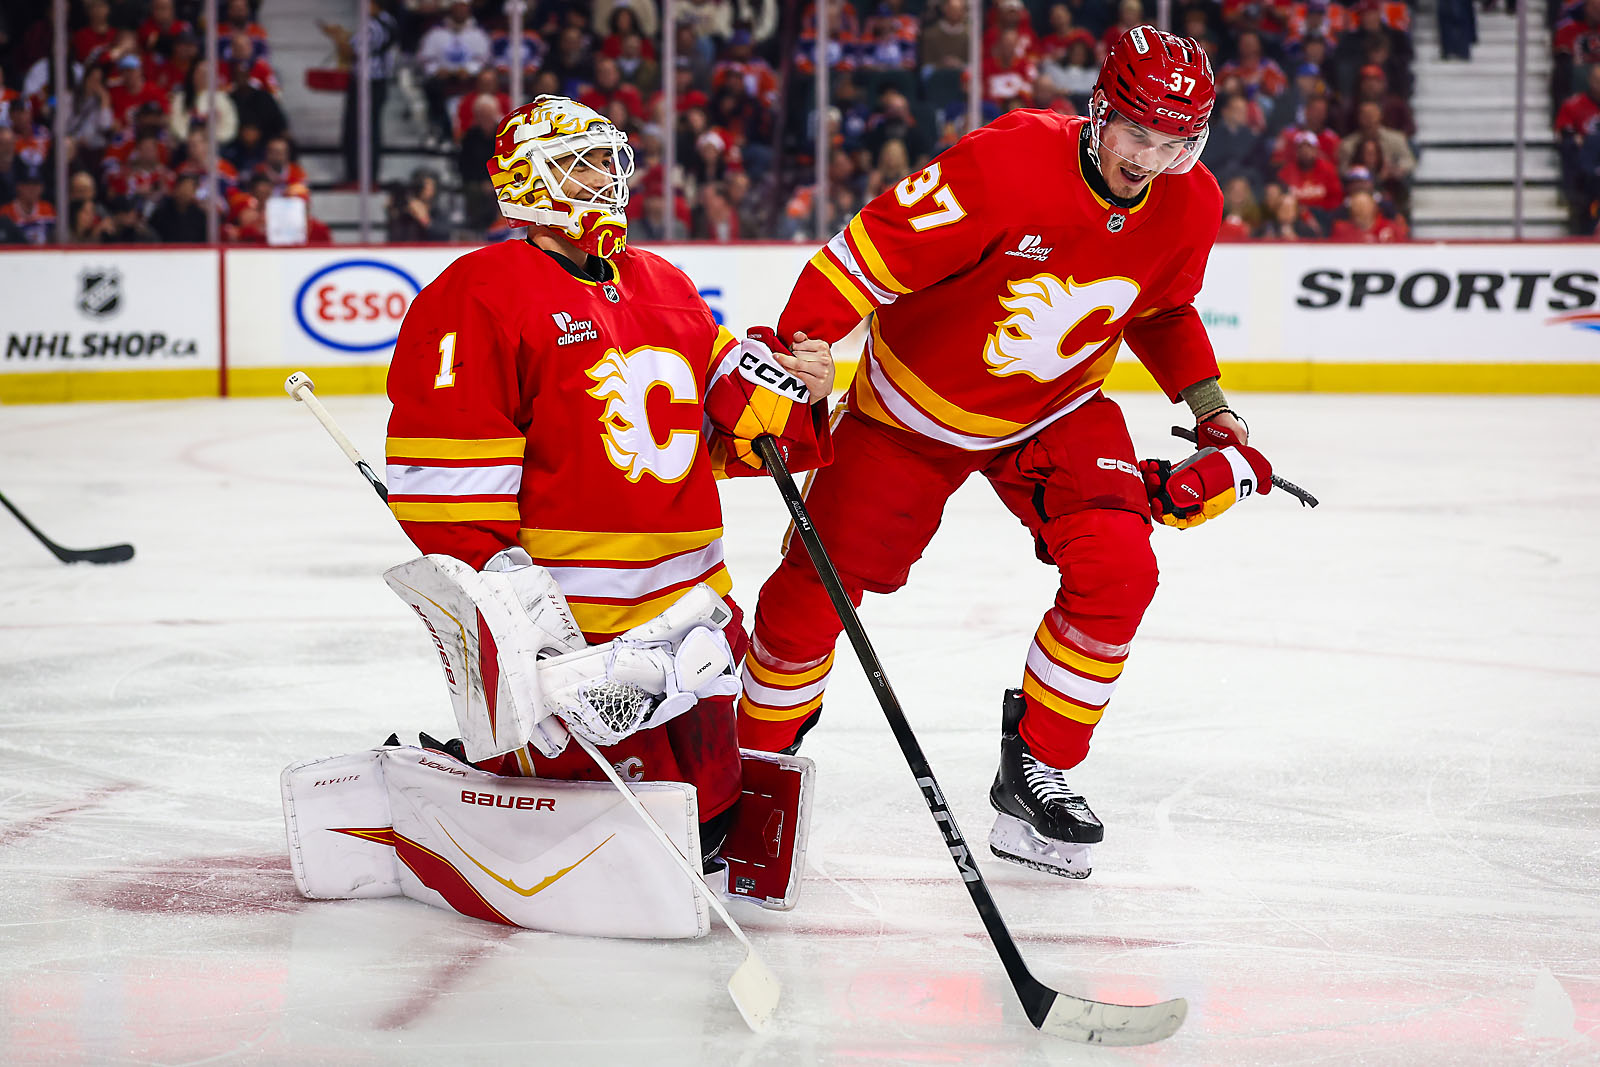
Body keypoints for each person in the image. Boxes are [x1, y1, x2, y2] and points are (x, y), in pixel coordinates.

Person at [734, 26, 1276, 881]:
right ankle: (745, 763)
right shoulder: (1005, 163)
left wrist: (1210, 410)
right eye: (1140, 134)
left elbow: (1162, 309)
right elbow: (864, 254)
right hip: (911, 413)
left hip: (1058, 410)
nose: (1154, 159)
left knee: (1119, 570)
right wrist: (802, 344)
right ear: (1100, 111)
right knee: (817, 589)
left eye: (1178, 143)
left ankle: (1038, 771)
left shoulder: (1191, 200)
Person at [287, 96, 836, 934]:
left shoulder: (664, 283)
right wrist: (510, 605)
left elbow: (730, 420)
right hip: (579, 623)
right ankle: (460, 782)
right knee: (607, 794)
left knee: (709, 798)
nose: (604, 181)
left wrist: (798, 386)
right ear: (525, 183)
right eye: (581, 164)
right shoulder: (482, 292)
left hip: (691, 609)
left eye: (608, 162)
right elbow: (449, 480)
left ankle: (620, 805)